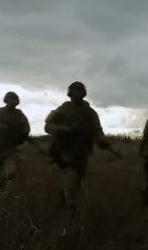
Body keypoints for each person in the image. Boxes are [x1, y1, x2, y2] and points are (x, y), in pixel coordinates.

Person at [44, 81, 112, 211]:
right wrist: (65, 129)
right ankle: (71, 209)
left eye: (80, 94)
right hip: (64, 151)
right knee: (71, 179)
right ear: (70, 94)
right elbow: (48, 126)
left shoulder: (90, 112)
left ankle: (65, 199)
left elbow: (97, 129)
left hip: (82, 152)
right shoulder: (62, 110)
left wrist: (101, 140)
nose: (77, 97)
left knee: (77, 181)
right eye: (75, 94)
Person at [0, 92, 30, 194]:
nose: (13, 102)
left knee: (11, 174)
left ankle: (4, 196)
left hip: (12, 148)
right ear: (6, 100)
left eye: (15, 100)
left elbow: (26, 129)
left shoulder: (20, 115)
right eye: (11, 99)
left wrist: (21, 135)